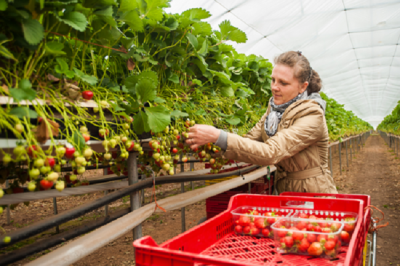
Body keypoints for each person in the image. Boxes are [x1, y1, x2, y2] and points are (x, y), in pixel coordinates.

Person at [185, 51, 337, 194]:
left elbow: (272, 152)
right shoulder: (274, 110)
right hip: (285, 190)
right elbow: (249, 140)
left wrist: (218, 136)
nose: (274, 87)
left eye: (283, 83)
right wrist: (208, 143)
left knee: (310, 224)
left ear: (302, 87)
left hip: (313, 194)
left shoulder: (312, 114)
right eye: (273, 80)